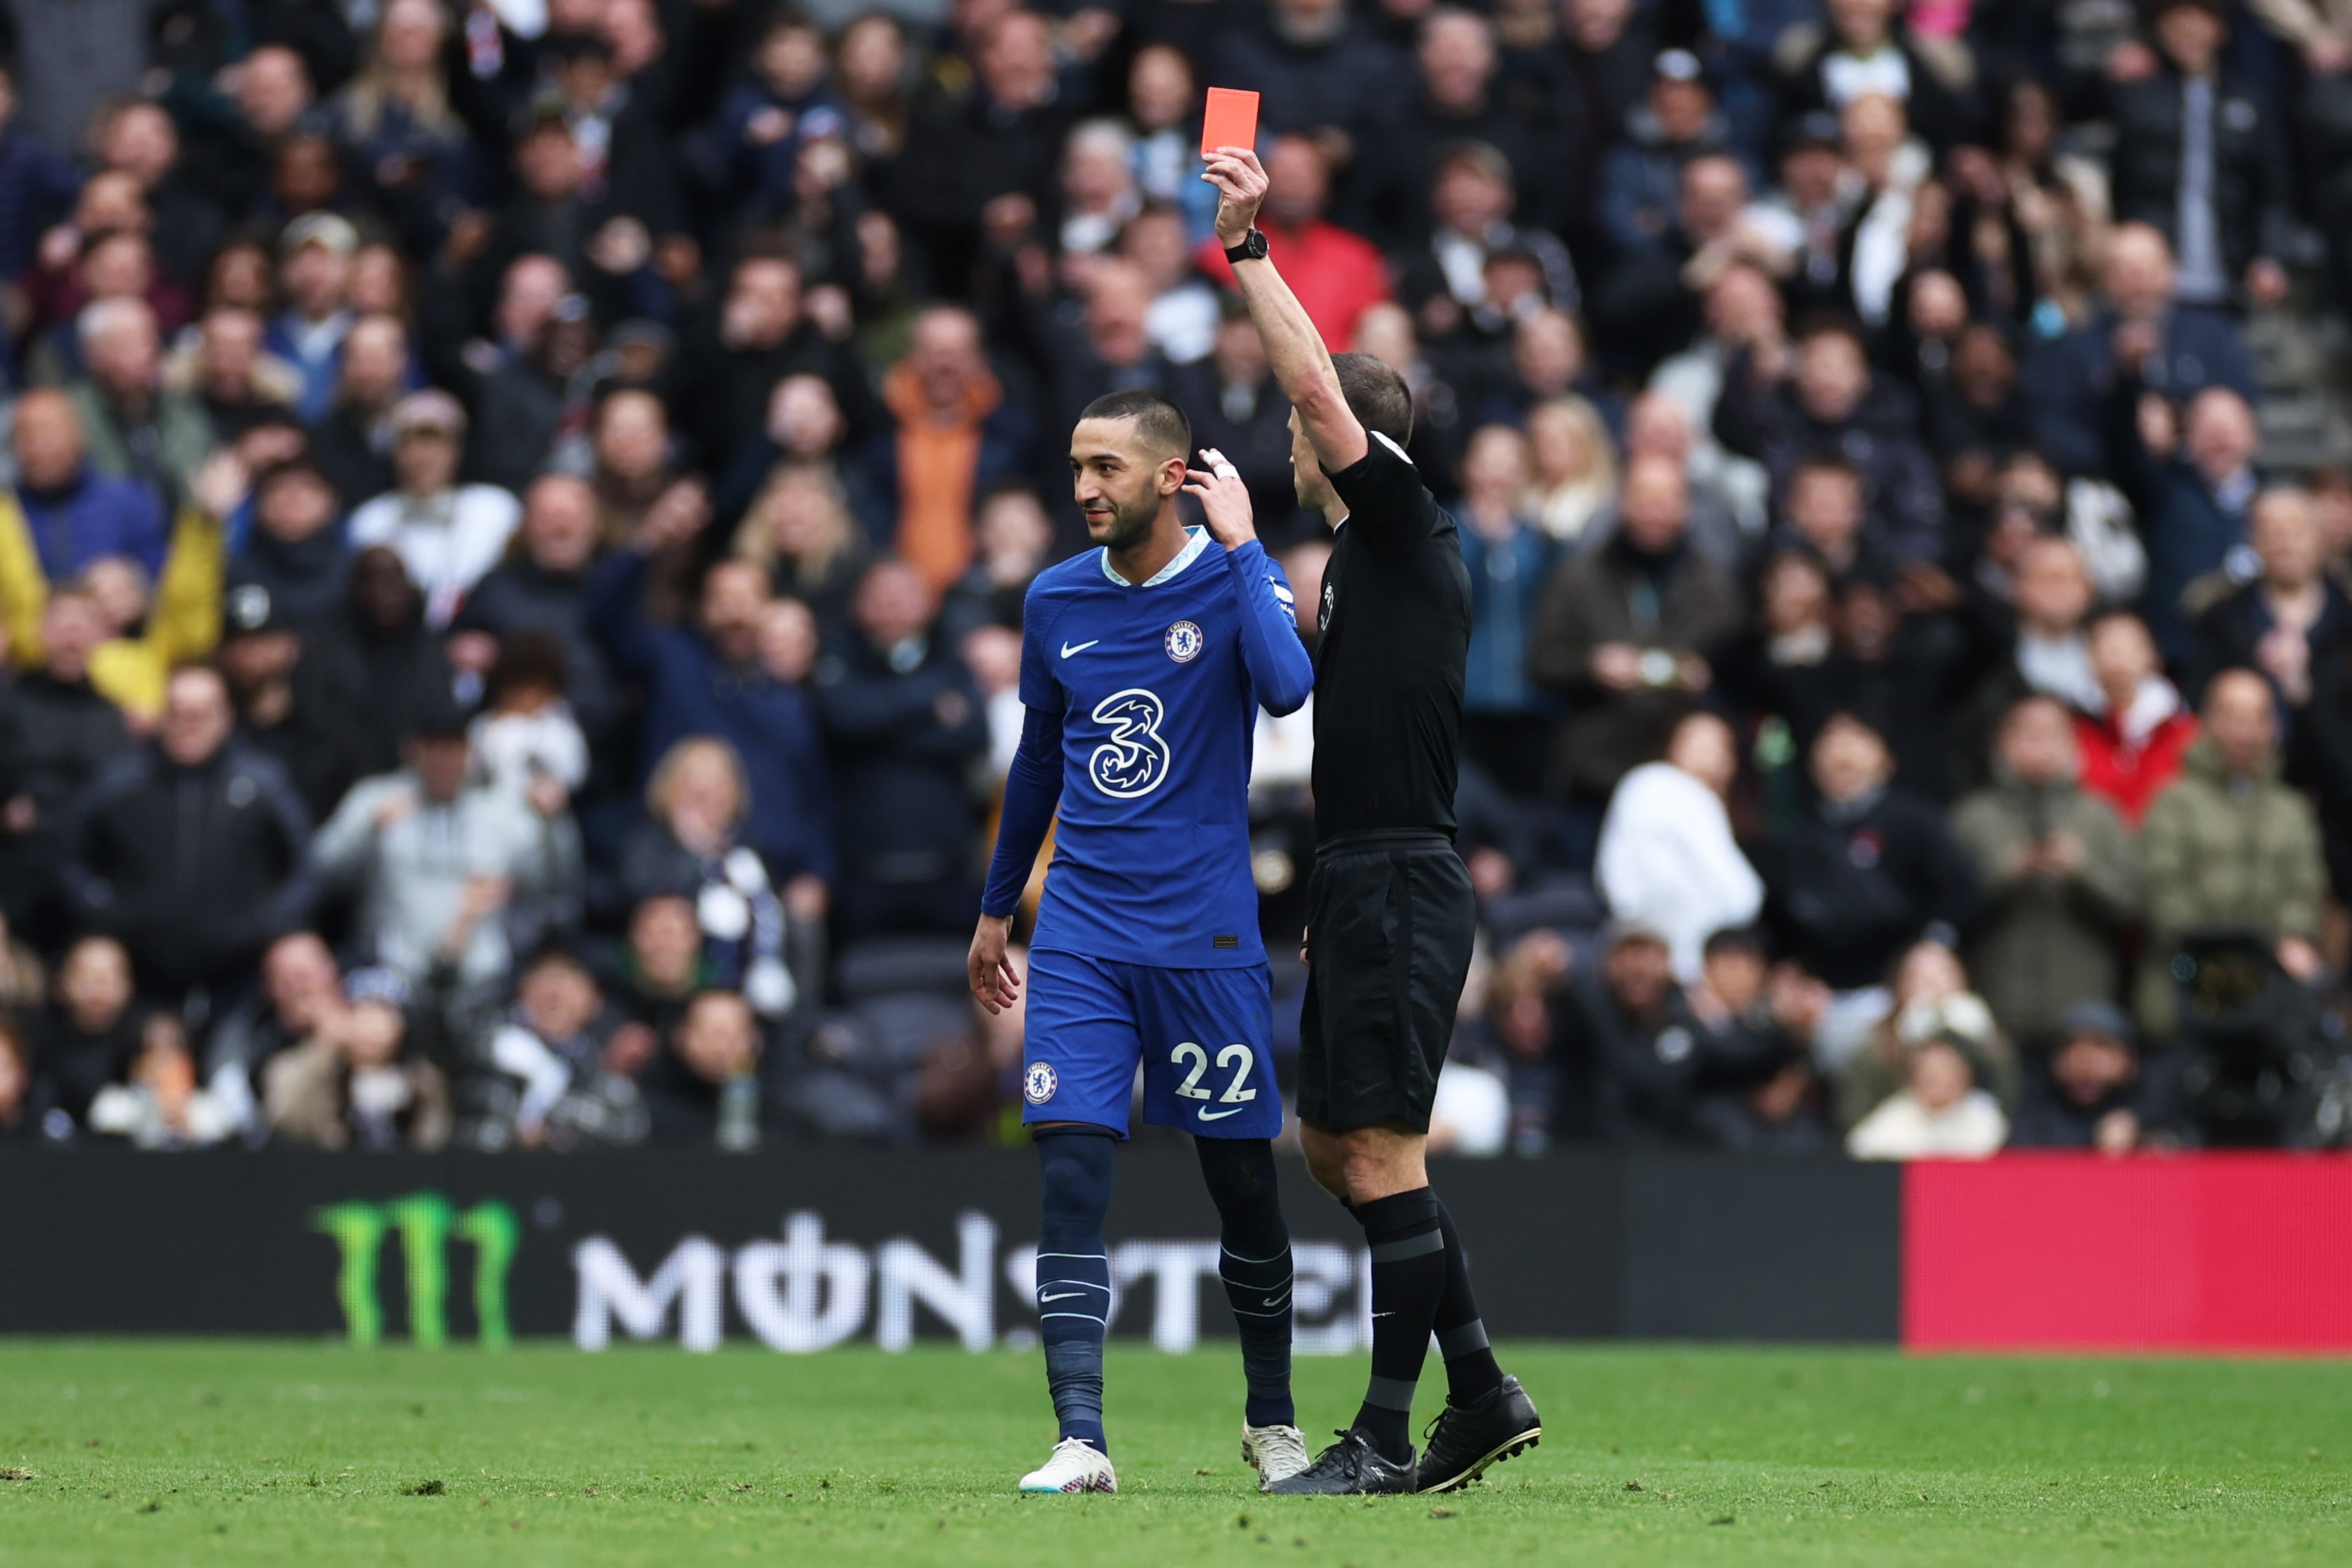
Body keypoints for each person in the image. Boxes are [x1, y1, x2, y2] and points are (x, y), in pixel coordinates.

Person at [1206, 142, 1540, 1497]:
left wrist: (1246, 252)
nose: (1292, 441)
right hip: (1359, 880)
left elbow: (1307, 379)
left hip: (1401, 880)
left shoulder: (1403, 525)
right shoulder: (1357, 562)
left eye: (1305, 428)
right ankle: (1482, 1389)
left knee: (1379, 1149)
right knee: (1336, 1150)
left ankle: (1389, 1432)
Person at [967, 388, 1315, 1497]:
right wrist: (991, 910)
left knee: (1241, 1185)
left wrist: (1249, 543)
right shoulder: (1053, 598)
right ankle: (1081, 1438)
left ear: (1171, 476)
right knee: (1068, 1171)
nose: (1082, 489)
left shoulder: (1225, 577)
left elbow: (1286, 685)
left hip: (1206, 936)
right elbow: (1034, 766)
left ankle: (1272, 1424)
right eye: (1075, 466)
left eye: (1106, 468)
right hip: (1078, 932)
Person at [2135, 669, 2326, 1035]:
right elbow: (2164, 900)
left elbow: (2305, 896)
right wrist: (2238, 950)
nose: (2245, 731)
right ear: (2208, 720)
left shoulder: (2290, 810)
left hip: (2271, 1000)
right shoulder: (2173, 802)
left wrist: (2276, 946)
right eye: (2233, 716)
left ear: (2273, 727)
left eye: (2258, 717)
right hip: (2183, 996)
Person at [1949, 697, 2142, 1036]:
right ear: (2002, 743)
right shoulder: (1973, 817)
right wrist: (2005, 876)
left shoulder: (2099, 816)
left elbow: (2134, 909)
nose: (2039, 747)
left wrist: (2082, 873)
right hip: (1997, 1009)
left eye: (2051, 735)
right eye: (2027, 735)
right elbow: (1950, 914)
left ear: (2072, 744)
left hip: (2084, 1014)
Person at [1595, 711, 1764, 983]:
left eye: (1718, 748)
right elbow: (1620, 876)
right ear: (1672, 747)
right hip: (1651, 954)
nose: (1709, 757)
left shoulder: (1718, 810)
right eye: (1698, 744)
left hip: (1704, 963)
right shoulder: (1653, 784)